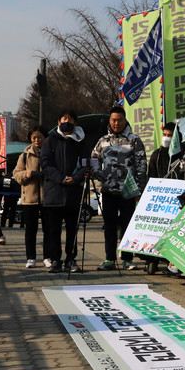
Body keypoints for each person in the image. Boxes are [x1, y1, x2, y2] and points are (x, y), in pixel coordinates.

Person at [90, 106, 147, 271]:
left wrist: (140, 189)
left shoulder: (134, 140)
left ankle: (127, 259)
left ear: (125, 120)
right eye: (113, 120)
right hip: (109, 190)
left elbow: (141, 166)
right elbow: (94, 159)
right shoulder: (103, 141)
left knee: (128, 225)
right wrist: (99, 175)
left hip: (128, 191)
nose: (116, 123)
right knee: (109, 226)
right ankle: (109, 259)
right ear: (110, 120)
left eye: (120, 120)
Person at [42, 110, 91, 273]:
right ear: (58, 122)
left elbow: (86, 164)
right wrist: (62, 178)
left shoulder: (81, 142)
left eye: (70, 119)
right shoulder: (50, 141)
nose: (67, 121)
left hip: (73, 193)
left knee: (72, 230)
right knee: (54, 230)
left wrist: (75, 178)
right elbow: (46, 164)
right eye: (64, 118)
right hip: (54, 193)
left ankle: (71, 259)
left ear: (75, 123)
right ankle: (55, 260)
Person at [14, 127, 47, 269]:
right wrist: (27, 174)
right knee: (30, 230)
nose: (36, 140)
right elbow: (16, 174)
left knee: (49, 229)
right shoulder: (25, 155)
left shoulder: (50, 152)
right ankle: (31, 258)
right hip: (29, 198)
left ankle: (48, 257)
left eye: (39, 137)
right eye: (34, 137)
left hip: (48, 198)